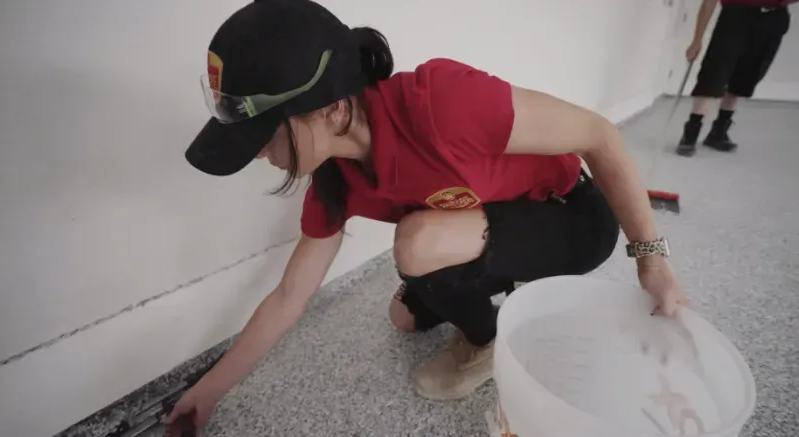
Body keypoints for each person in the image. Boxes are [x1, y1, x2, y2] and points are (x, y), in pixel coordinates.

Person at [164, 0, 687, 434]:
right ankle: (510, 292)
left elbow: (600, 135)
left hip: (571, 218)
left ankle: (489, 344)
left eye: (267, 135)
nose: (258, 154)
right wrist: (206, 393)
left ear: (332, 108)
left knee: (418, 245)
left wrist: (651, 262)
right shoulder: (335, 179)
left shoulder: (442, 103)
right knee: (404, 317)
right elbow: (289, 297)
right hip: (484, 224)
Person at [677, 0, 794, 157]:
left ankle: (718, 132)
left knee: (746, 77)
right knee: (714, 72)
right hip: (736, 15)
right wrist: (697, 40)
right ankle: (691, 132)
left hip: (773, 18)